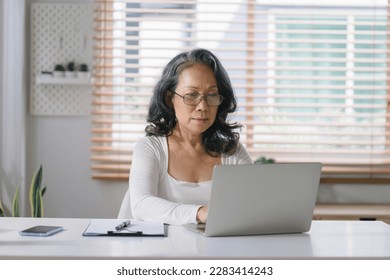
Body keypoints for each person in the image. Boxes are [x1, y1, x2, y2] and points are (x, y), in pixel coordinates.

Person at [129, 48, 253, 225]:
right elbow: (141, 205)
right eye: (192, 95)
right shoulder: (150, 148)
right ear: (169, 98)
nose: (203, 106)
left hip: (219, 251)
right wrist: (200, 213)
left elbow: (255, 202)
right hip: (163, 250)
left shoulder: (232, 151)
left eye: (211, 95)